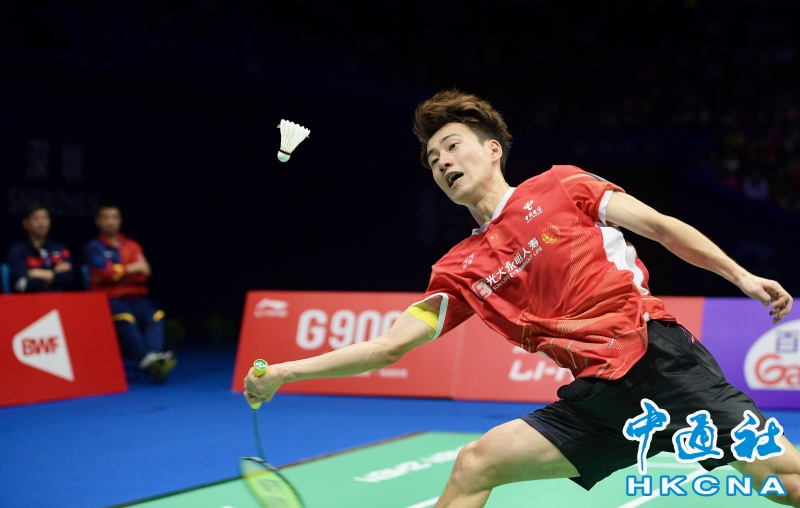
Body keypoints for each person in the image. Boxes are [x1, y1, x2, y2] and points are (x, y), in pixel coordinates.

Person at [244, 91, 799, 506]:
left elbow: (659, 226)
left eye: (452, 146)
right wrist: (286, 373)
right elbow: (388, 348)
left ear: (492, 150)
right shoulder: (459, 269)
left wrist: (741, 276)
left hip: (658, 362)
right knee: (475, 463)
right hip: (596, 402)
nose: (443, 162)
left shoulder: (561, 186)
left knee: (783, 481)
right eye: (433, 160)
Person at [85, 203, 176, 382]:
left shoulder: (132, 245)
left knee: (156, 315)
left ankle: (153, 358)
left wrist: (118, 272)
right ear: (97, 221)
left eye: (114, 217)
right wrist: (131, 269)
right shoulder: (93, 248)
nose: (110, 222)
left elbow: (143, 276)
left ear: (120, 220)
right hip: (108, 298)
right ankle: (148, 361)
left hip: (135, 297)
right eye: (105, 217)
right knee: (126, 317)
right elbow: (104, 274)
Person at [7, 202, 75, 292]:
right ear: (25, 223)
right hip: (31, 299)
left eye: (45, 217)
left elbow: (69, 278)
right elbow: (21, 285)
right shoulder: (17, 251)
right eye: (36, 218)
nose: (41, 223)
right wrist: (54, 275)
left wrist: (37, 273)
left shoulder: (60, 249)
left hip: (59, 298)